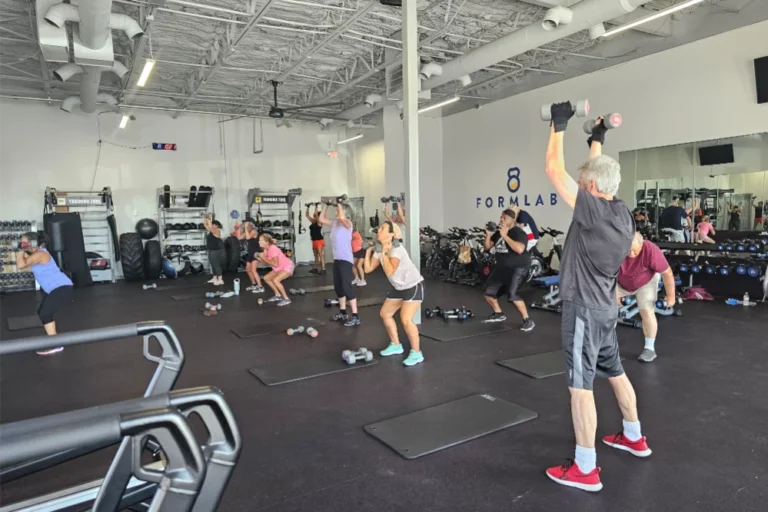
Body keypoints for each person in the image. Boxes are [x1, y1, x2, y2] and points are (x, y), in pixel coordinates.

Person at [544, 106, 650, 493]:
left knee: (580, 385)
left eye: (582, 181)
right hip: (606, 308)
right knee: (616, 372)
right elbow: (594, 173)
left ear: (589, 189)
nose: (579, 182)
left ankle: (585, 467)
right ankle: (634, 436)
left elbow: (555, 171)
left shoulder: (590, 212)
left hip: (584, 310)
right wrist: (598, 137)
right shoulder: (621, 213)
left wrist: (558, 126)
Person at [364, 222, 425, 366]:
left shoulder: (396, 250)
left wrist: (384, 252)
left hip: (413, 286)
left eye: (383, 229)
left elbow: (391, 271)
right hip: (399, 287)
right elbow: (367, 269)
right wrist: (369, 252)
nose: (379, 230)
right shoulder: (380, 251)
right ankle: (396, 345)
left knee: (405, 319)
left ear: (391, 235)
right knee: (385, 313)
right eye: (379, 228)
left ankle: (417, 353)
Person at [617, 233, 676, 363]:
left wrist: (671, 297)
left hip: (646, 281)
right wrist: (614, 295)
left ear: (642, 245)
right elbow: (605, 274)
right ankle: (605, 346)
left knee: (646, 309)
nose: (631, 254)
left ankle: (649, 349)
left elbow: (667, 272)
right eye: (628, 250)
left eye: (635, 251)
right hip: (620, 281)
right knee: (605, 309)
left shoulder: (650, 250)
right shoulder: (614, 249)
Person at [15, 232, 73, 355]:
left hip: (61, 287)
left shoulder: (41, 254)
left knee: (45, 313)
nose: (22, 244)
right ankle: (55, 342)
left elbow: (21, 265)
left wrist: (20, 250)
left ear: (32, 243)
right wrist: (23, 251)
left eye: (24, 242)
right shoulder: (37, 255)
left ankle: (56, 344)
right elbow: (24, 264)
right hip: (56, 288)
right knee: (44, 312)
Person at [482, 209, 535, 331]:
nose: (501, 220)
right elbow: (487, 247)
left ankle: (527, 319)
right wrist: (488, 235)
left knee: (512, 295)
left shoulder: (518, 233)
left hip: (518, 267)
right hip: (502, 267)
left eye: (504, 218)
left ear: (512, 220)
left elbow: (520, 249)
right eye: (501, 217)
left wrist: (505, 236)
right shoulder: (499, 232)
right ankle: (499, 313)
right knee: (488, 292)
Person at [319, 201, 360, 326]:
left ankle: (355, 316)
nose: (336, 212)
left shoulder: (348, 224)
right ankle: (343, 312)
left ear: (345, 212)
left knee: (347, 288)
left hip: (346, 260)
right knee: (338, 288)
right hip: (337, 260)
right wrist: (326, 205)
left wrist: (339, 204)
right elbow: (321, 219)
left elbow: (342, 217)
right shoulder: (335, 224)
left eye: (338, 210)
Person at [258, 234, 294, 306]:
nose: (259, 242)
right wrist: (261, 258)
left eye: (261, 240)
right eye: (259, 240)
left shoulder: (273, 249)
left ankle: (286, 299)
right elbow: (265, 263)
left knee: (276, 280)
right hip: (279, 268)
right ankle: (278, 295)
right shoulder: (266, 249)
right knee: (266, 278)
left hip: (287, 266)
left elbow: (275, 264)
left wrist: (263, 258)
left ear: (267, 242)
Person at [235, 221, 265, 293]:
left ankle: (261, 287)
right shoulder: (248, 232)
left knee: (253, 270)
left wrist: (245, 227)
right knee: (248, 270)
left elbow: (248, 238)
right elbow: (239, 237)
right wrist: (238, 228)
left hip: (256, 253)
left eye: (248, 226)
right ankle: (254, 285)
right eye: (246, 227)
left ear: (251, 226)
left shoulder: (254, 231)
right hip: (250, 253)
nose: (246, 228)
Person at [203, 214, 226, 286]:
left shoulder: (216, 231)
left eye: (213, 224)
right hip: (211, 250)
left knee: (216, 265)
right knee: (212, 264)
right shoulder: (211, 231)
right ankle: (214, 278)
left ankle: (220, 279)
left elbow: (209, 226)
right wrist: (205, 218)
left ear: (216, 226)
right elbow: (205, 225)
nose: (212, 225)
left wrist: (210, 218)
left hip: (216, 251)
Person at [306, 204, 326, 274]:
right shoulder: (313, 222)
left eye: (315, 215)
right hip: (314, 240)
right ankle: (315, 268)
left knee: (320, 254)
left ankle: (323, 269)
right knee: (315, 255)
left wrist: (316, 206)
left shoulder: (320, 222)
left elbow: (317, 216)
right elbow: (307, 215)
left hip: (319, 240)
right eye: (314, 215)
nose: (314, 216)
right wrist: (308, 207)